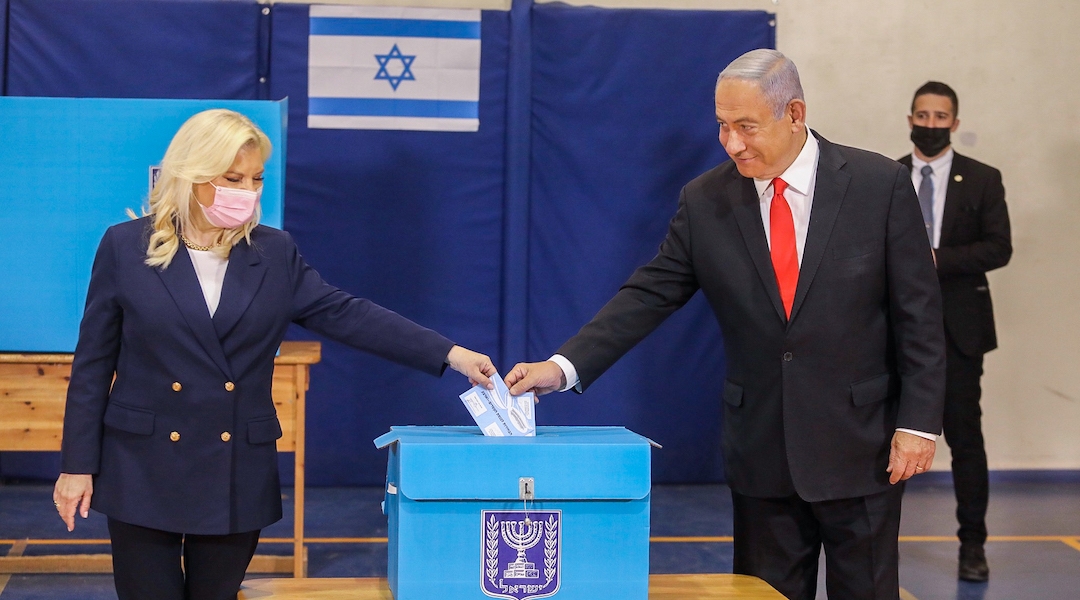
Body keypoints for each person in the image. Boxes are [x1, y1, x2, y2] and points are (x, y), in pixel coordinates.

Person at [506, 49, 946, 600]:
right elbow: (648, 295)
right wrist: (561, 367)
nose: (732, 143)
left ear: (794, 113)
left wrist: (919, 424)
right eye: (722, 127)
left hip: (863, 446)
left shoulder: (878, 185)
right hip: (762, 450)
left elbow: (920, 316)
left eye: (746, 127)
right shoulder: (706, 200)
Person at [52, 109, 496, 600]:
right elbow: (93, 366)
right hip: (142, 466)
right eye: (232, 177)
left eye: (256, 178)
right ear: (193, 174)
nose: (247, 190)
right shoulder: (124, 246)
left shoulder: (274, 252)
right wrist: (76, 465)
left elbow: (347, 314)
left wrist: (451, 353)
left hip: (233, 469)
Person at [899, 81, 1011, 582]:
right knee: (887, 440)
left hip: (961, 331)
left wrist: (937, 259)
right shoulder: (889, 176)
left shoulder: (984, 179)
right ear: (910, 119)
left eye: (939, 116)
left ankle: (972, 544)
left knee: (966, 438)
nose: (930, 124)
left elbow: (998, 248)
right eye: (922, 115)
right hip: (894, 331)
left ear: (955, 123)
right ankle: (877, 539)